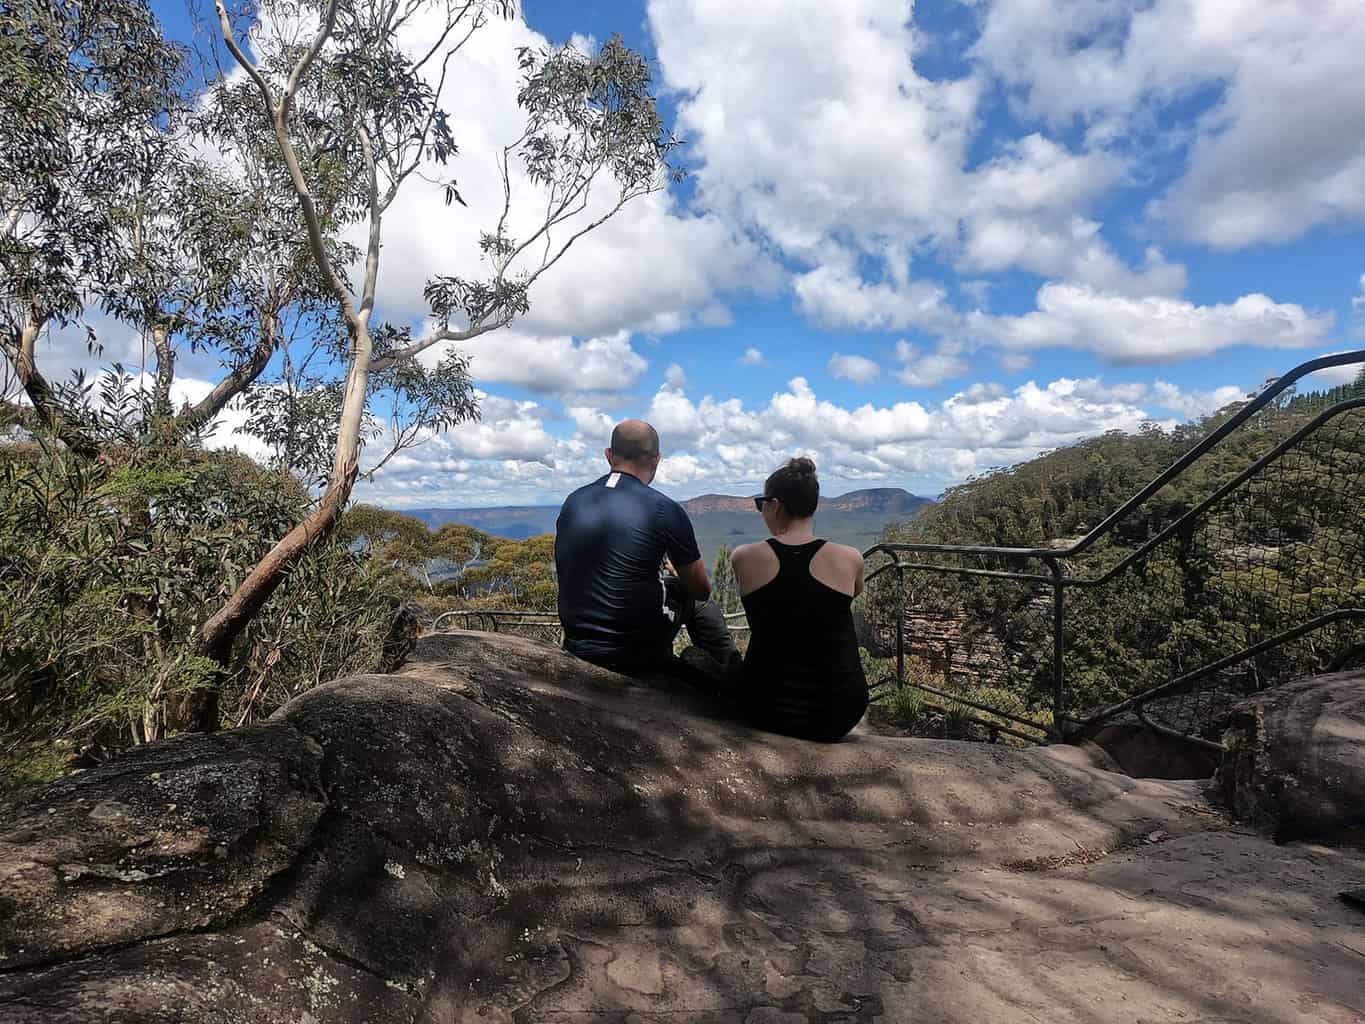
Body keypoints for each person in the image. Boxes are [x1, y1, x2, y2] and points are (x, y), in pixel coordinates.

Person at [555, 419, 739, 678]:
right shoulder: (664, 509)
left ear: (609, 455)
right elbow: (701, 588)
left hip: (577, 644)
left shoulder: (574, 500)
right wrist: (676, 576)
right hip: (633, 653)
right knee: (693, 599)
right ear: (657, 459)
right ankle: (728, 673)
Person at [730, 457, 868, 741]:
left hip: (763, 706)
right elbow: (853, 594)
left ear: (775, 505)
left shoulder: (743, 557)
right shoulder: (850, 558)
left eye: (761, 503)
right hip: (836, 712)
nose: (762, 510)